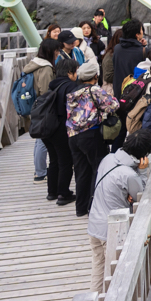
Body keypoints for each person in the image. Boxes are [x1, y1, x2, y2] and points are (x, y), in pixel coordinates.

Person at [87, 129, 151, 293]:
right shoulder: (129, 175)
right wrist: (142, 172)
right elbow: (141, 196)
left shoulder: (108, 159)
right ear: (143, 155)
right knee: (114, 277)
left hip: (94, 224)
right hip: (112, 231)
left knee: (98, 271)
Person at [66, 60, 120, 217]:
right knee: (99, 168)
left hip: (73, 136)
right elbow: (113, 105)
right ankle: (95, 206)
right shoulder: (94, 89)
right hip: (90, 133)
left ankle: (81, 208)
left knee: (81, 172)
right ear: (95, 76)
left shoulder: (73, 91)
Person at [27, 39, 64, 183]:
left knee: (40, 140)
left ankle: (39, 170)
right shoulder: (46, 68)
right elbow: (45, 91)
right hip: (44, 107)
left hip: (35, 106)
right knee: (43, 140)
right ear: (51, 51)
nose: (58, 53)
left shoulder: (34, 64)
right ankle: (40, 172)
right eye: (56, 50)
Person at [46, 58, 77, 207]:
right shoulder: (71, 86)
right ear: (70, 72)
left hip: (48, 129)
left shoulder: (52, 85)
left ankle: (52, 191)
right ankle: (63, 194)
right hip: (61, 128)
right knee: (66, 161)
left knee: (54, 160)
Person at [111, 20, 148, 88]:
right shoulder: (142, 51)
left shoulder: (117, 48)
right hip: (134, 90)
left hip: (119, 87)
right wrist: (142, 46)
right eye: (141, 29)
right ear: (137, 35)